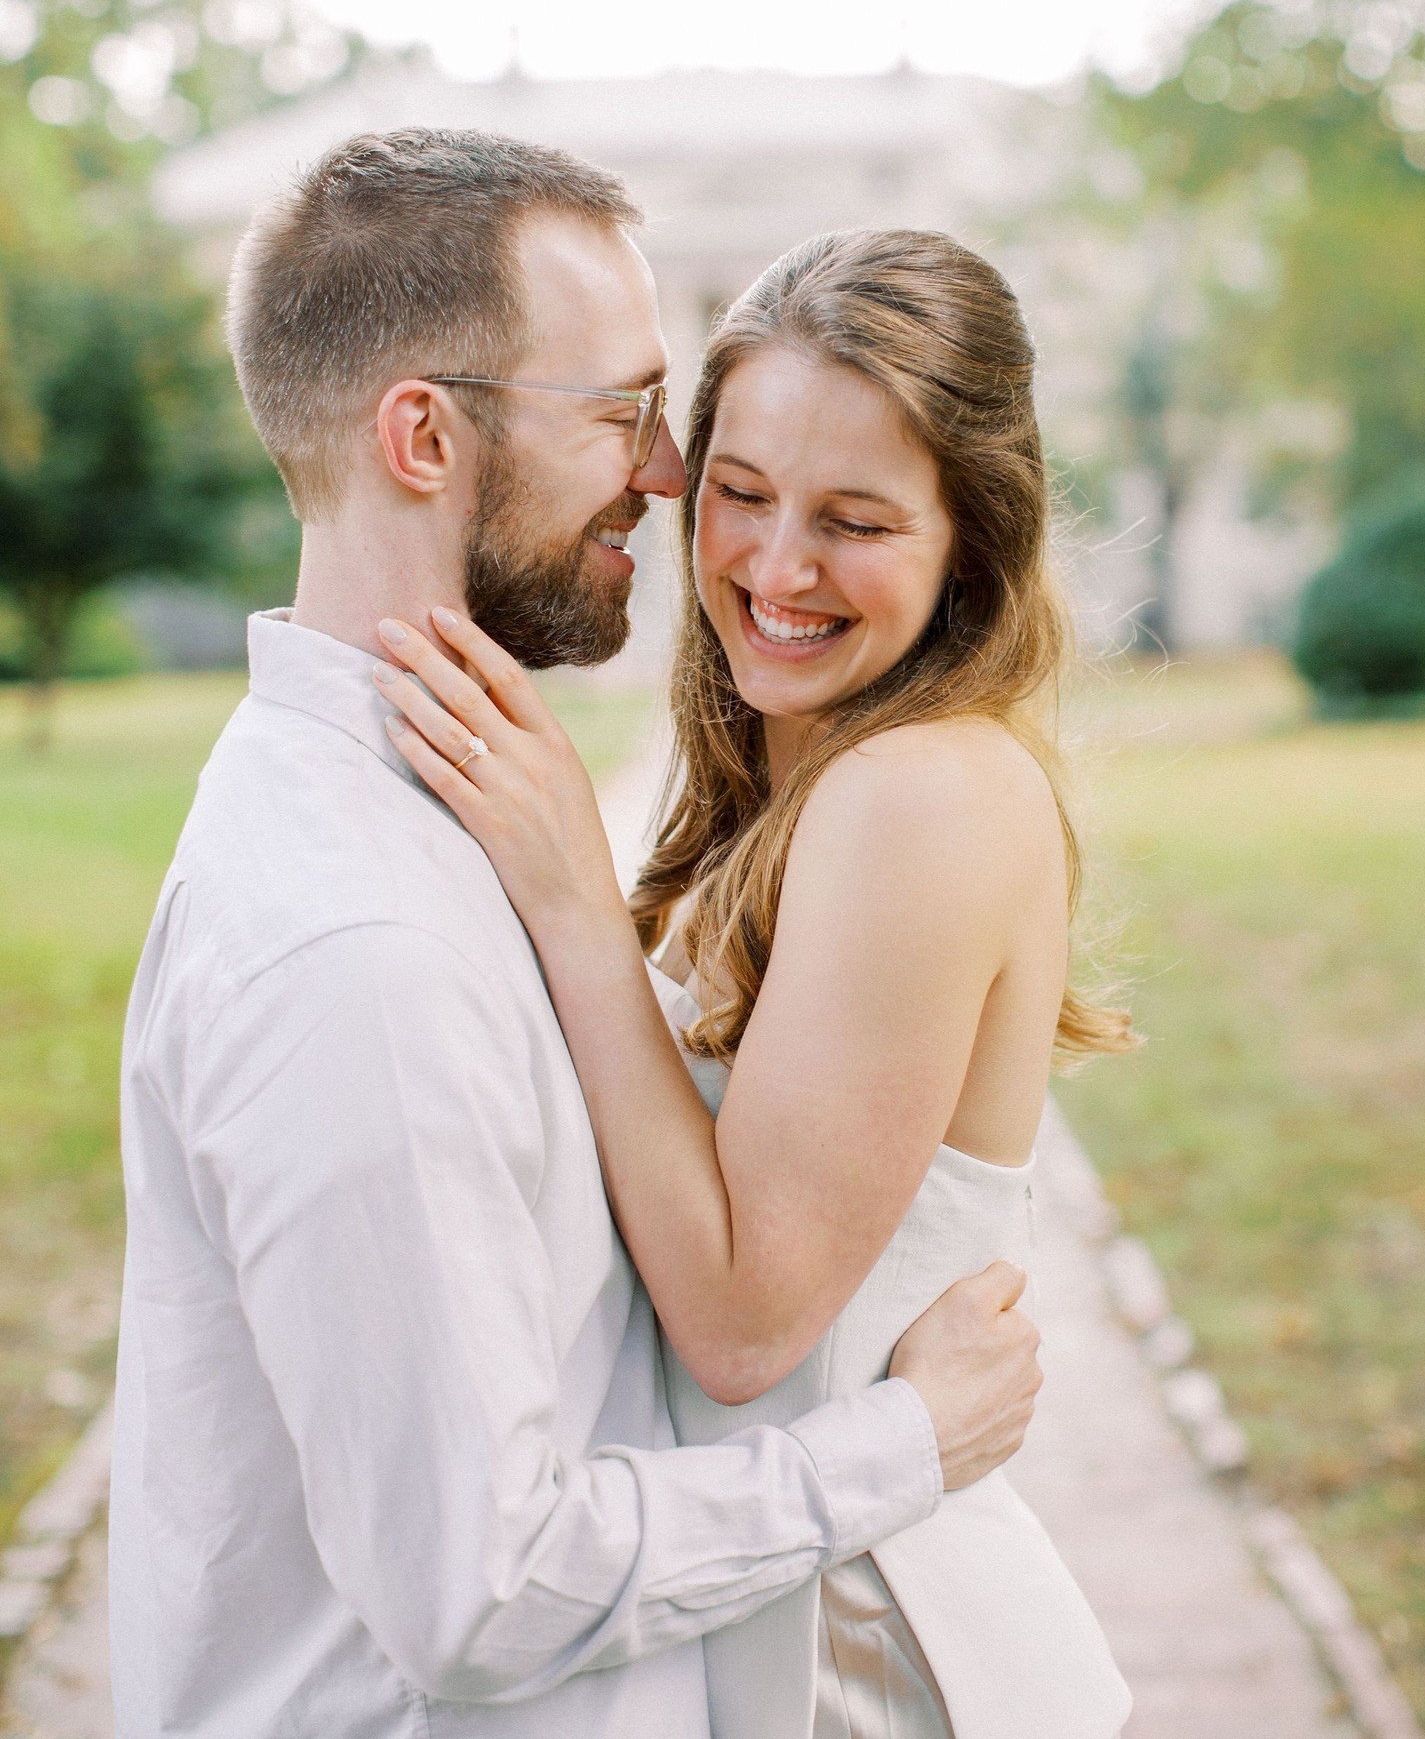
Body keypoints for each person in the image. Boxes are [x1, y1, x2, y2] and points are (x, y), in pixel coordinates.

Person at [111, 130, 1046, 1739]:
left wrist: (572, 898)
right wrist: (901, 1440)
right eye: (632, 417)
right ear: (422, 434)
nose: (675, 483)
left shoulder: (467, 819)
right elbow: (483, 1580)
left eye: (855, 516)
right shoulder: (360, 936)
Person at [377, 227, 1136, 1739]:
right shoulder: (803, 783)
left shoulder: (920, 794)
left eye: (854, 520)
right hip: (768, 1631)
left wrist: (573, 896)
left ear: (970, 544)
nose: (775, 569)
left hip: (874, 1667)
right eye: (738, 493)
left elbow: (739, 1322)